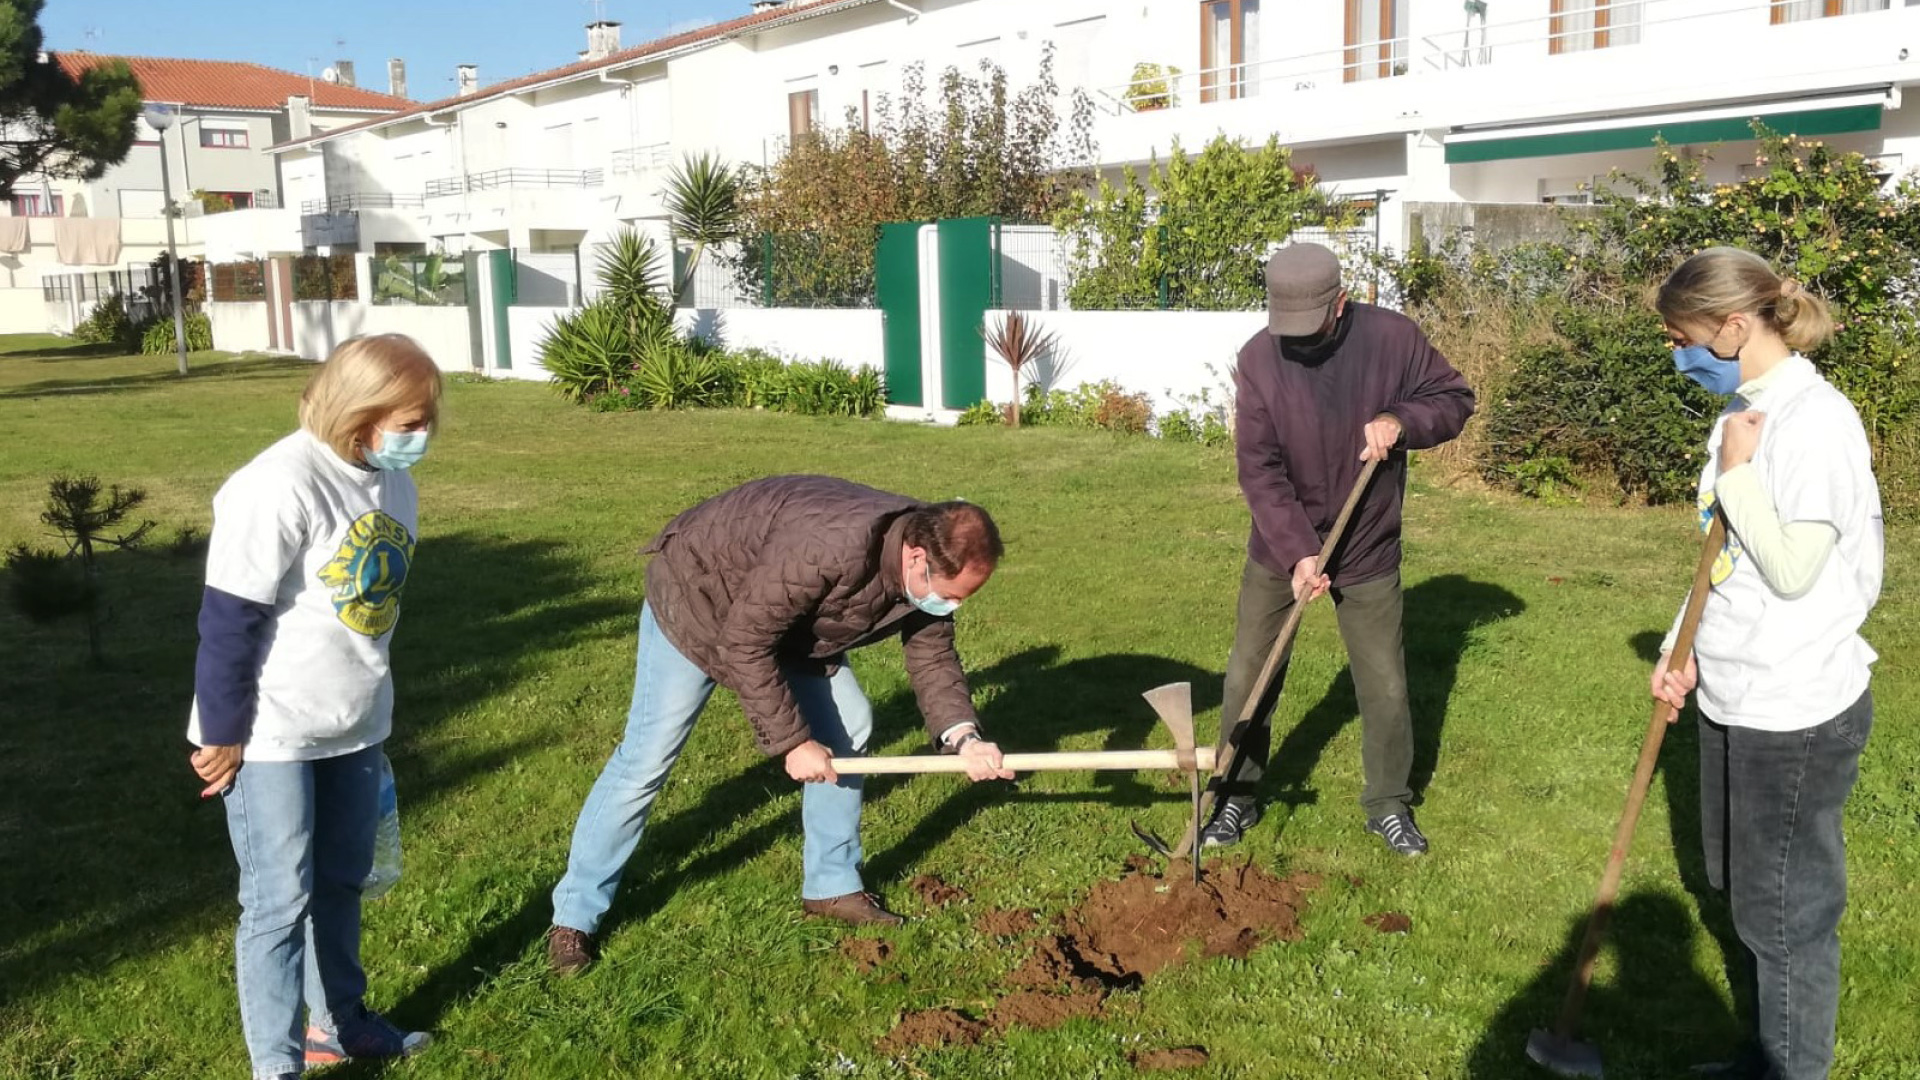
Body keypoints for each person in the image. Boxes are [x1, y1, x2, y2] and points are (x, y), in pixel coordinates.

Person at [546, 475, 1013, 976]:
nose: (954, 607)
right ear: (918, 558)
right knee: (646, 759)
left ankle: (831, 886)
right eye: (952, 595)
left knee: (849, 726)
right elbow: (744, 643)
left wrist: (963, 735)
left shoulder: (924, 564)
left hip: (789, 626)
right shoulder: (829, 546)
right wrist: (792, 742)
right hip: (699, 601)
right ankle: (574, 917)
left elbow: (933, 656)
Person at [1651, 247, 1882, 1080]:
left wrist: (1740, 474)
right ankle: (1766, 1051)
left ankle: (1794, 1069)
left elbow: (1790, 568)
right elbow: (1725, 554)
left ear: (1733, 327)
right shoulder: (1742, 415)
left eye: (1681, 337)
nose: (1676, 354)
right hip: (1731, 685)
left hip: (1794, 704)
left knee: (1786, 911)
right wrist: (1683, 646)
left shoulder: (1818, 423)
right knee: (1736, 883)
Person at [188, 334, 443, 1078]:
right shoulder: (276, 484)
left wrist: (368, 709)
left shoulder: (392, 482)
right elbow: (228, 620)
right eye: (410, 420)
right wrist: (224, 733)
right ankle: (278, 1065)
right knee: (278, 905)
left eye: (428, 419)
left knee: (339, 883)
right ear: (358, 411)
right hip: (270, 734)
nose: (422, 435)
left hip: (355, 725)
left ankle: (341, 1024)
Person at [1206, 242, 1476, 856]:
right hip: (1282, 545)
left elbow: (1454, 400)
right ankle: (1234, 798)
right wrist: (1300, 551)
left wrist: (1403, 420)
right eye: (1286, 329)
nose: (1296, 342)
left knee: (1383, 684)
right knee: (1252, 672)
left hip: (1367, 541)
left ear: (1342, 303)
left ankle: (1387, 803)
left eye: (1310, 327)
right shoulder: (1258, 359)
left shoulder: (1393, 339)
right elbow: (1259, 467)